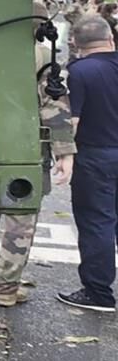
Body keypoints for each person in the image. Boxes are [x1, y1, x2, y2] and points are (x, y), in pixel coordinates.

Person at [0, 0, 75, 306]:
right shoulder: (41, 55)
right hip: (24, 145)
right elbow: (54, 104)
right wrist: (64, 150)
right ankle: (6, 288)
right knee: (20, 219)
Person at [57, 15, 118, 312]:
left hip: (96, 156)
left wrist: (64, 155)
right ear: (110, 38)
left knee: (97, 222)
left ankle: (98, 292)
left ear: (76, 44)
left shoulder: (80, 72)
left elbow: (73, 121)